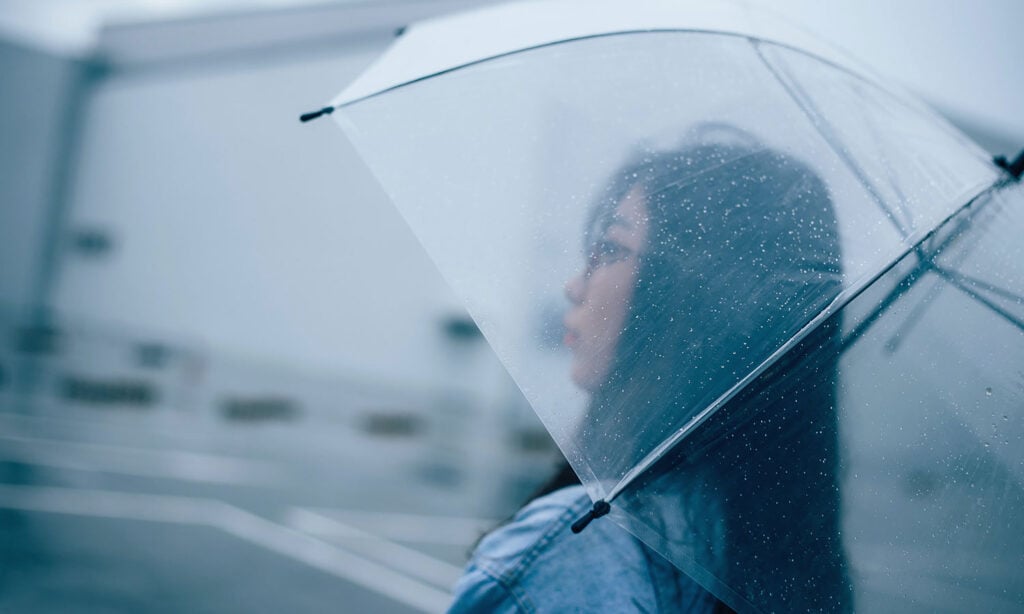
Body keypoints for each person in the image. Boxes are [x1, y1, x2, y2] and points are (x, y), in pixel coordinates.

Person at [449, 127, 852, 613]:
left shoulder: (579, 548)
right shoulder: (771, 551)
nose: (576, 287)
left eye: (614, 251)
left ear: (698, 299)